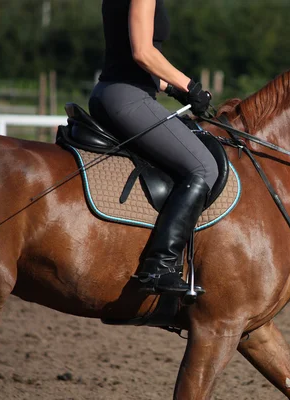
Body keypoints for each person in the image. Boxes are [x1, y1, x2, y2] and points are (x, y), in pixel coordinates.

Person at [89, 0, 218, 296]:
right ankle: (160, 266)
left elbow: (131, 58)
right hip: (127, 97)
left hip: (118, 91)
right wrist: (189, 87)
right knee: (204, 166)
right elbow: (143, 53)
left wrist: (171, 87)